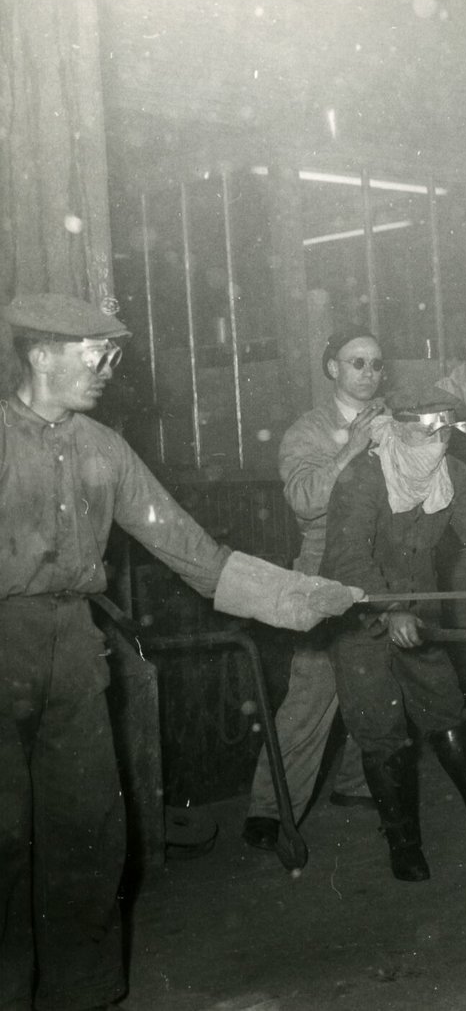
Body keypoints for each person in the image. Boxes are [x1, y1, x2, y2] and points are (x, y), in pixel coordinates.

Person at [0, 293, 361, 1011]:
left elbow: (195, 553)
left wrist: (298, 597)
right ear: (40, 356)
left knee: (89, 833)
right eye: (94, 355)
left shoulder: (105, 450)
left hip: (75, 650)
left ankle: (81, 996)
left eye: (112, 355)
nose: (108, 368)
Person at [241, 319, 466, 852]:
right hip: (328, 576)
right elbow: (303, 499)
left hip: (391, 569)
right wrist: (351, 450)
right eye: (356, 363)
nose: (369, 372)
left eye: (375, 363)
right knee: (312, 698)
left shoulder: (392, 414)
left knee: (376, 693)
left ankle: (355, 786)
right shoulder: (308, 431)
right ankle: (269, 809)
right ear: (332, 368)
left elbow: (447, 395)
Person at [320, 388, 466, 882]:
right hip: (360, 622)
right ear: (400, 429)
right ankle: (404, 843)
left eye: (448, 433)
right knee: (381, 729)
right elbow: (347, 559)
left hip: (421, 619)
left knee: (447, 709)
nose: (440, 444)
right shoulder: (362, 478)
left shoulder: (452, 476)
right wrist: (390, 610)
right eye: (430, 433)